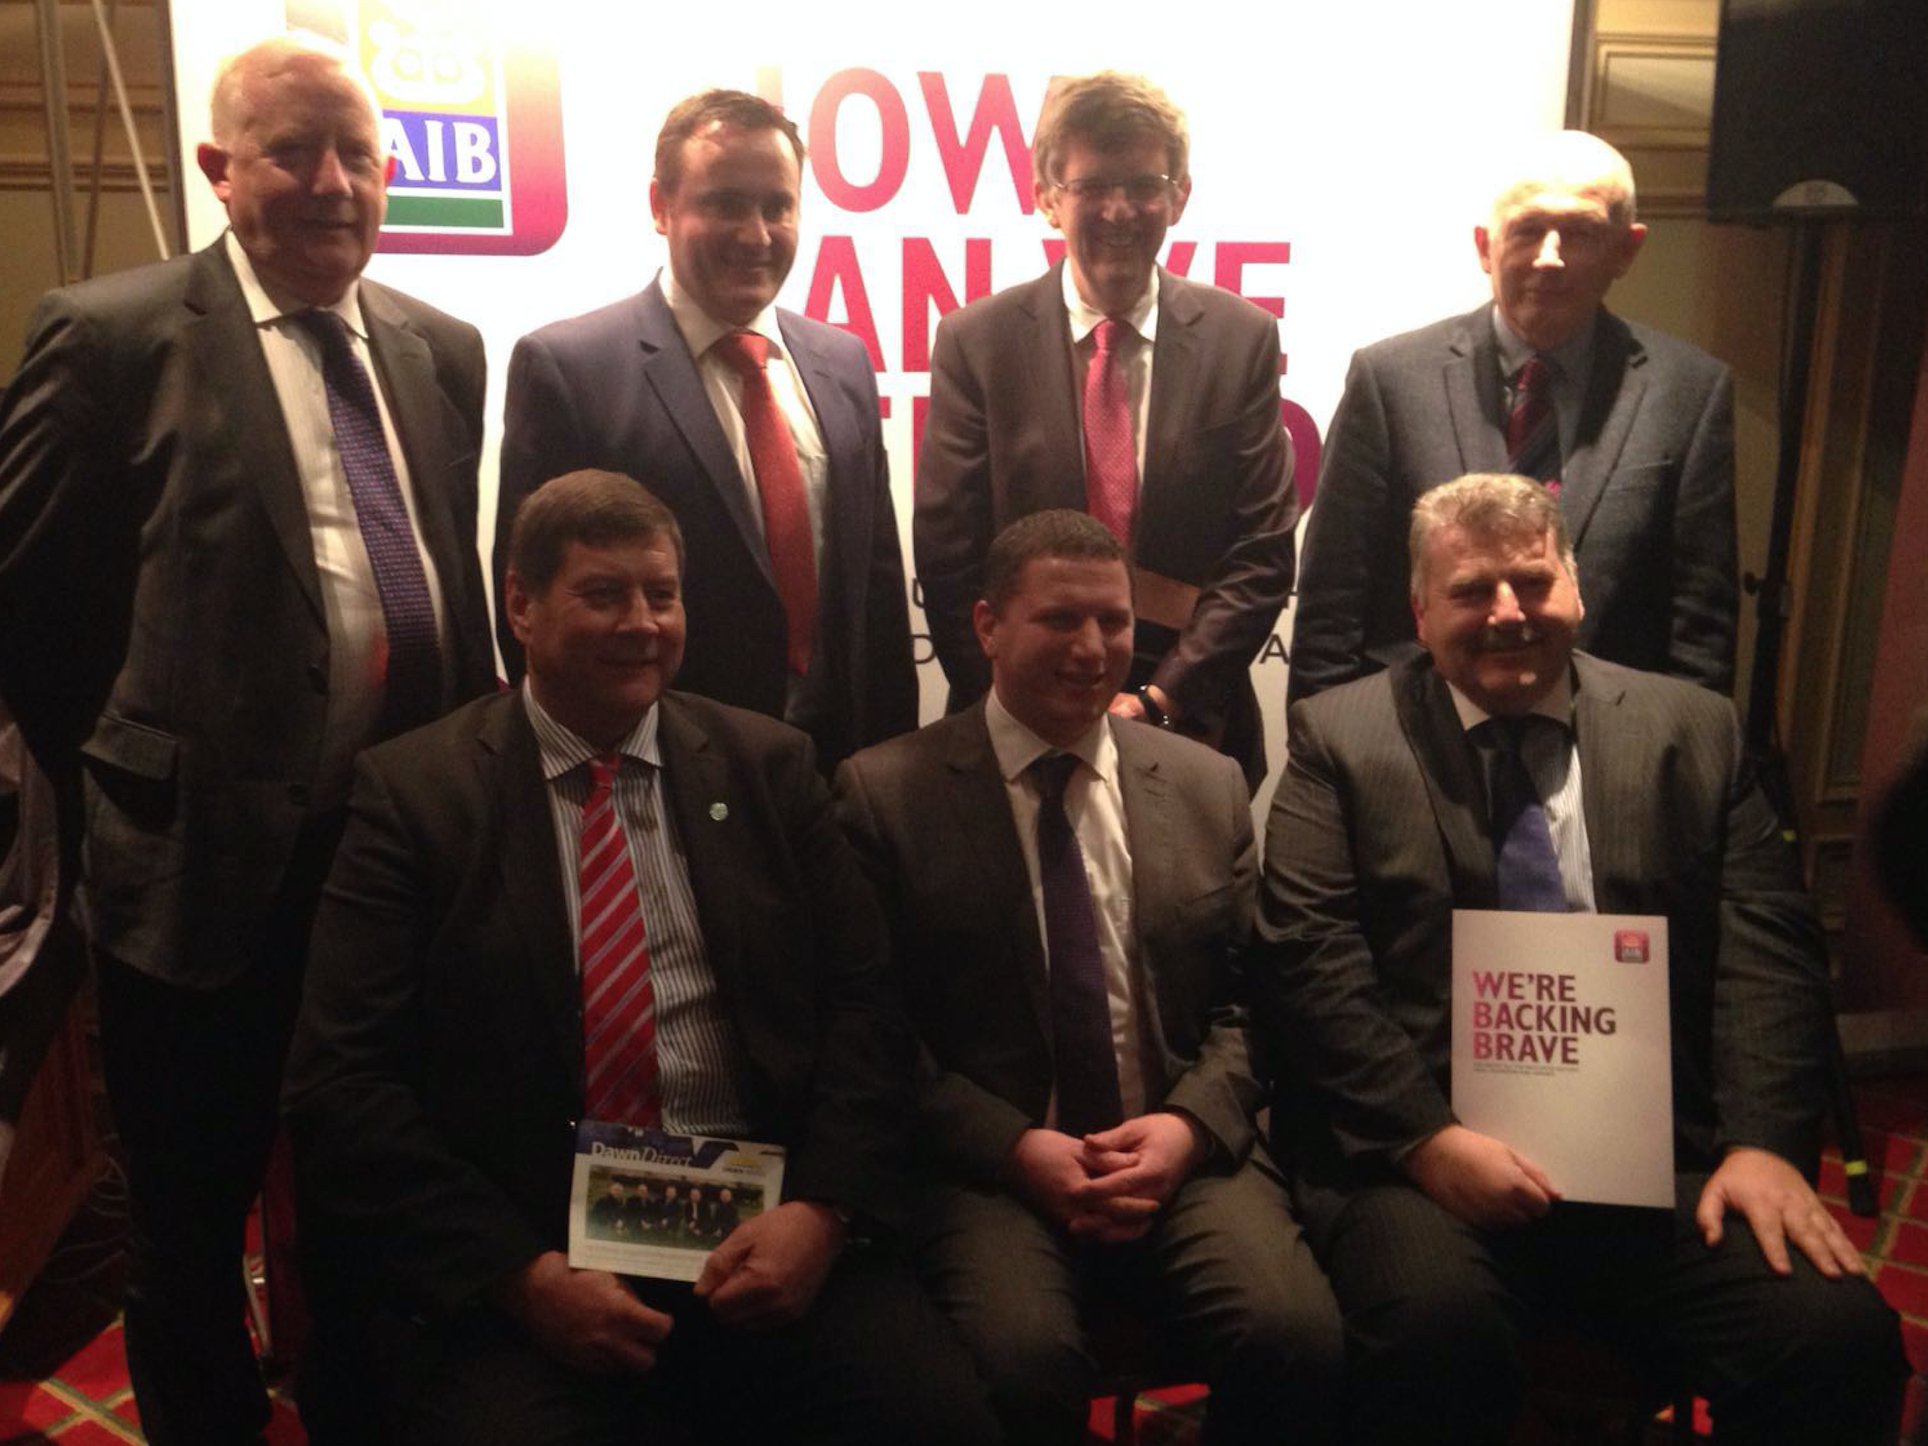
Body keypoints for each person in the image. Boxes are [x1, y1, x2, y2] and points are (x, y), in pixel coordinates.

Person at [0, 35, 493, 1446]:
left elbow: (443, 579)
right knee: (190, 1220)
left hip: (397, 869)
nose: (333, 183)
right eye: (293, 152)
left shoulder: (438, 349)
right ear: (222, 170)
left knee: (367, 1196)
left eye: (358, 152)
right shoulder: (111, 335)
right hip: (195, 876)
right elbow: (28, 599)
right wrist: (132, 762)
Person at [282, 469, 994, 1446]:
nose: (643, 623)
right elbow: (343, 1083)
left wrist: (821, 1215)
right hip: (537, 1250)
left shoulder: (768, 767)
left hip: (766, 1226)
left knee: (939, 1421)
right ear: (520, 606)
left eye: (662, 595)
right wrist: (520, 1279)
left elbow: (867, 1009)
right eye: (605, 594)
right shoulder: (416, 798)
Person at [1254, 472, 1906, 1444]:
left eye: (1532, 581)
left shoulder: (1693, 729)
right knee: (1437, 1334)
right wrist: (1426, 1139)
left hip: (1660, 1155)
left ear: (1577, 587)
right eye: (1473, 590)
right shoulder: (1340, 736)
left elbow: (1768, 953)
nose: (1507, 612)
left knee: (1834, 1335)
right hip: (1420, 1158)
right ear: (1421, 610)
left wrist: (1765, 1143)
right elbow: (1311, 959)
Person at [837, 510, 1339, 1444]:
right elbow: (871, 1035)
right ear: (987, 625)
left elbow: (1254, 1001)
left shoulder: (1207, 783)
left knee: (1294, 1337)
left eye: (1113, 621)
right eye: (1060, 620)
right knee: (1016, 1368)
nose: (1093, 647)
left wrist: (1189, 1127)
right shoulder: (883, 793)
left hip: (1180, 1153)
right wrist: (1016, 1147)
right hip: (993, 1171)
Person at [496, 89, 914, 772]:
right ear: (660, 206)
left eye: (777, 206)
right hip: (657, 778)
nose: (755, 234)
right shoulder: (569, 370)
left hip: (835, 775)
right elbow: (531, 612)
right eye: (723, 204)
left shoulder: (844, 364)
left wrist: (891, 768)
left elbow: (877, 593)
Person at [914, 72, 1296, 792]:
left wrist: (1160, 700)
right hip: (1013, 733)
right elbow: (948, 555)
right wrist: (1018, 706)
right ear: (1047, 195)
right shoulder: (976, 342)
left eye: (1143, 184)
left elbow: (1262, 553)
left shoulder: (1239, 339)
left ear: (1179, 196)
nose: (1119, 210)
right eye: (1092, 186)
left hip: (1190, 729)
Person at [1287, 131, 1737, 705]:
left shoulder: (1688, 393)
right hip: (1413, 743)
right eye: (1527, 230)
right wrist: (1330, 757)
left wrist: (1677, 770)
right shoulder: (1390, 378)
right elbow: (1332, 605)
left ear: (1626, 249)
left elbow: (1701, 634)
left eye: (1579, 232)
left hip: (1606, 750)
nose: (1549, 258)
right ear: (1484, 246)